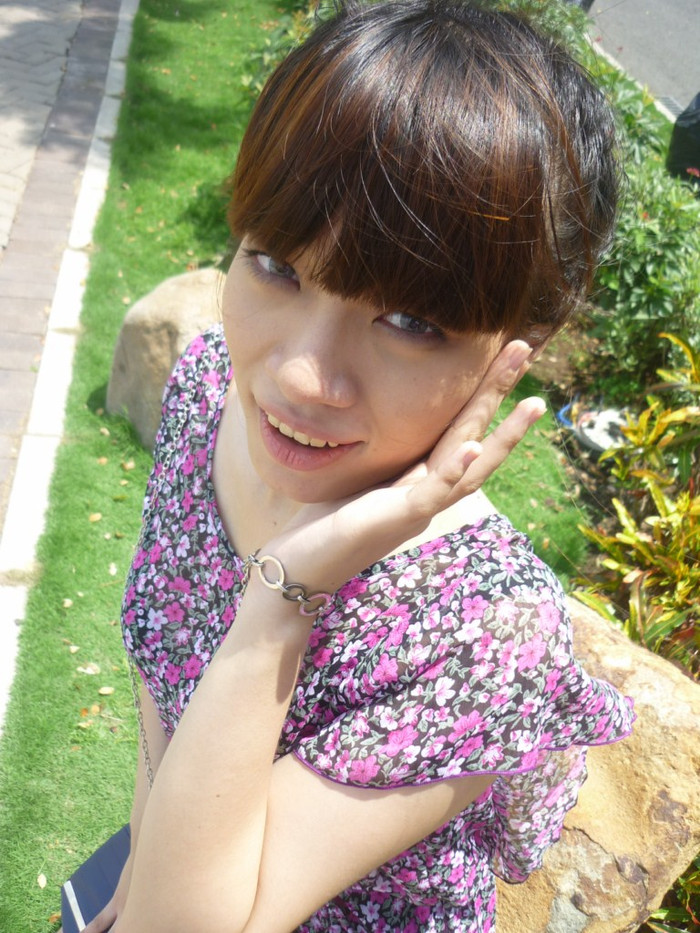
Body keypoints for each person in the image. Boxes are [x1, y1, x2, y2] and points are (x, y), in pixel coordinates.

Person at [77, 1, 635, 931]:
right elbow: (164, 693)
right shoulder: (212, 390)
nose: (302, 376)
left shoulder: (484, 628)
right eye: (276, 266)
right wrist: (137, 871)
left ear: (522, 343)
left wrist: (280, 599)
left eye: (410, 321)